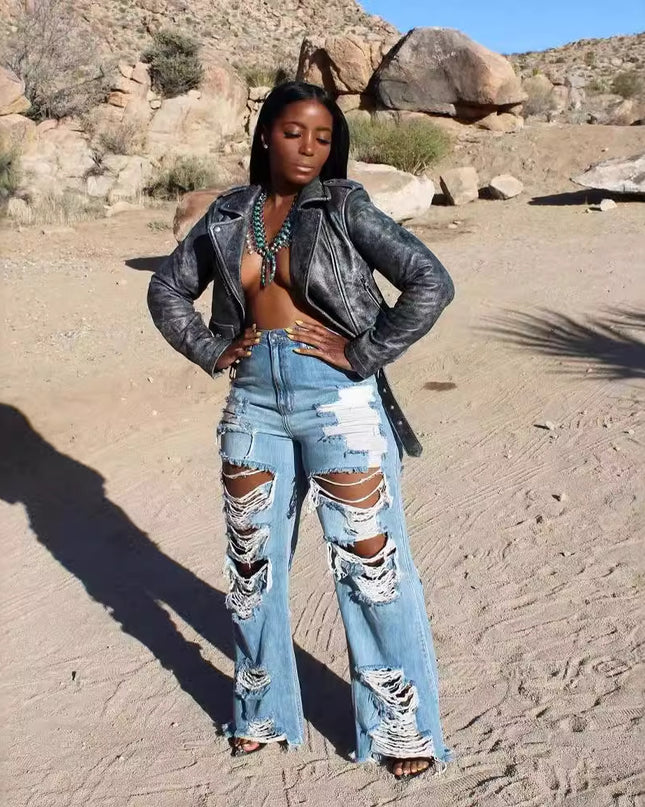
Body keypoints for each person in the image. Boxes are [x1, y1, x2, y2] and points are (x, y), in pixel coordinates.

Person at [147, 80, 455, 780]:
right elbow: (167, 289)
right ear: (265, 134)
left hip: (337, 399)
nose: (309, 147)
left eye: (322, 136)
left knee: (370, 566)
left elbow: (428, 281)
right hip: (252, 399)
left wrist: (361, 351)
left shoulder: (344, 204)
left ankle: (401, 724)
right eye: (294, 132)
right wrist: (209, 347)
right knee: (252, 569)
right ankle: (261, 709)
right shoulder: (229, 212)